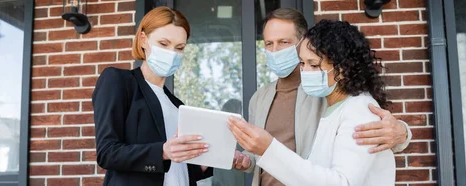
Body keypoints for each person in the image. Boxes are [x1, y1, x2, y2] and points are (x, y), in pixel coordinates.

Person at [231, 8, 411, 186]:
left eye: (314, 65)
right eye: (268, 43)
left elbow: (343, 178)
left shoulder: (342, 100)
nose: (306, 71)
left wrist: (402, 132)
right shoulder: (265, 98)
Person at [92, 7, 215, 186]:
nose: (172, 53)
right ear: (143, 40)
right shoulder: (119, 82)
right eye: (164, 44)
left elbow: (175, 169)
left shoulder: (177, 105)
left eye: (179, 48)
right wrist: (162, 152)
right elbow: (107, 153)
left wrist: (206, 161)